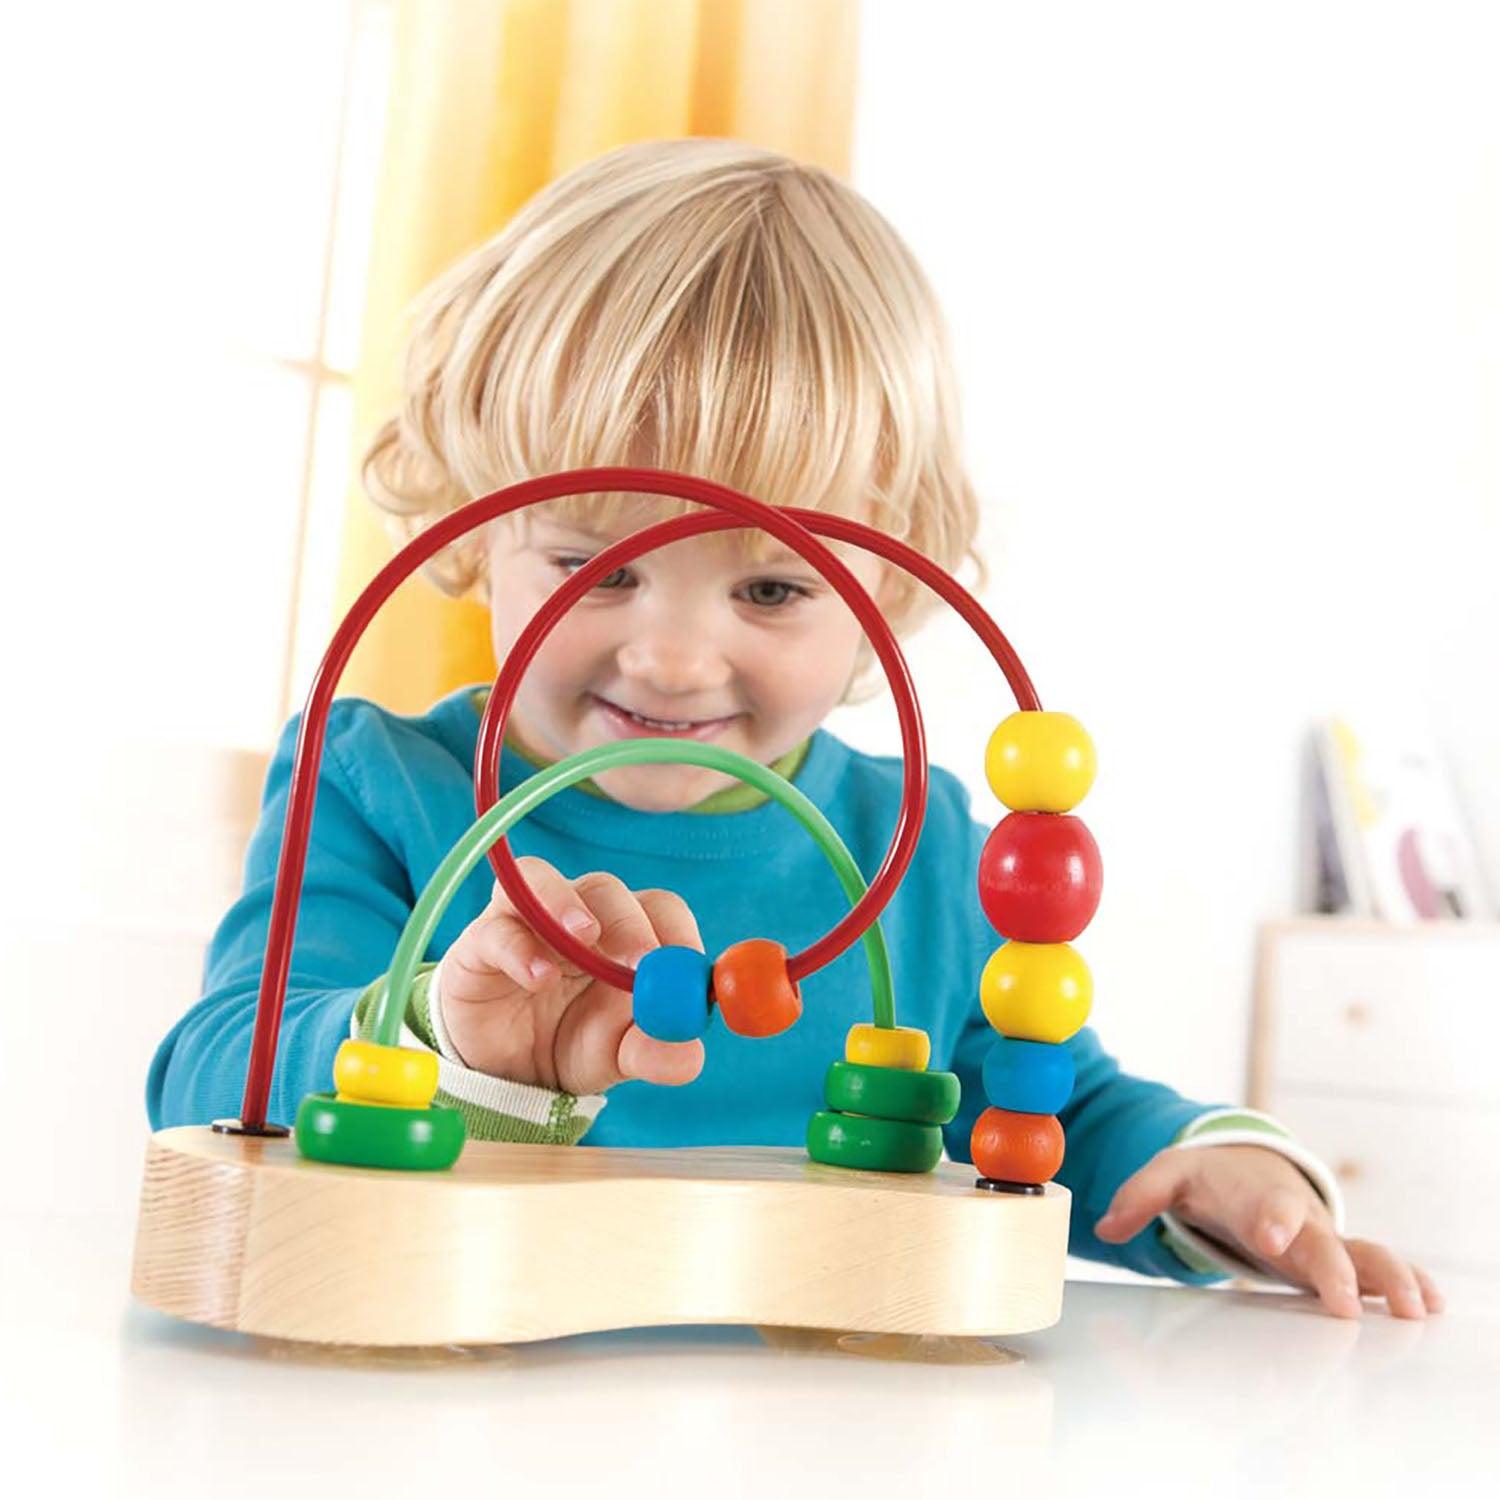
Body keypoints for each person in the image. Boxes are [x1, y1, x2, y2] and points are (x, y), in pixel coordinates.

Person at [147, 139, 1441, 1321]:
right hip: (448, 1383)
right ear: (480, 529)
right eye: (593, 565)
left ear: (886, 581)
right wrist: (435, 1030)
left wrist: (1222, 1170)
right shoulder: (375, 781)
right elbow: (208, 1078)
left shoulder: (918, 845)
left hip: (827, 1424)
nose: (671, 656)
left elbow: (1056, 1108)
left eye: (771, 590)